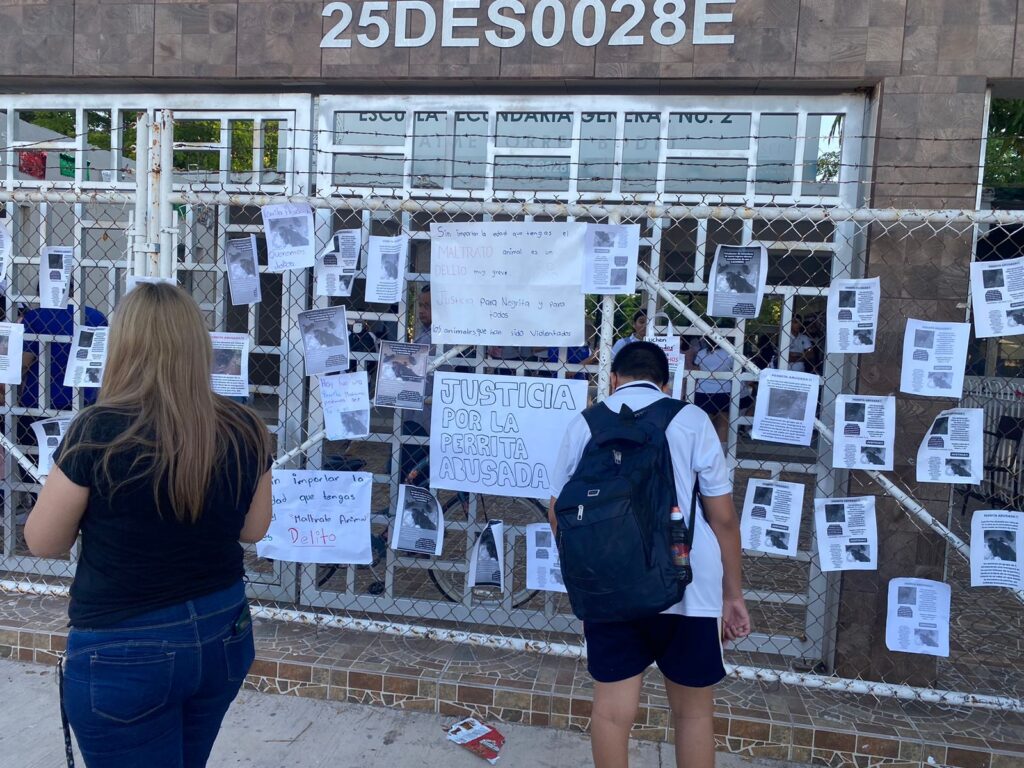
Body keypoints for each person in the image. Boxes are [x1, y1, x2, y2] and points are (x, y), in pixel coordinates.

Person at [24, 283, 273, 768]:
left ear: (124, 345)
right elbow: (255, 529)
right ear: (198, 346)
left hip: (124, 647)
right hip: (223, 631)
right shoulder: (246, 426)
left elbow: (42, 541)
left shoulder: (97, 429)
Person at [548, 342, 750, 768]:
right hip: (687, 582)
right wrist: (733, 595)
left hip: (611, 583)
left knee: (610, 712)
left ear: (614, 379)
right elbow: (724, 519)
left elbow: (558, 511)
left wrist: (588, 584)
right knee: (693, 714)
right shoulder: (692, 420)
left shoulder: (585, 424)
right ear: (666, 382)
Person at [20, 300, 108, 411]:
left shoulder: (34, 316)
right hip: (86, 396)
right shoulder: (96, 316)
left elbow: (24, 362)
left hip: (40, 397)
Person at [693, 337, 753, 444]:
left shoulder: (701, 353)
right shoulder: (729, 353)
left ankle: (703, 447)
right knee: (723, 423)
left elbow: (697, 368)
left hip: (702, 390)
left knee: (704, 422)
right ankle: (722, 451)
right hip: (723, 391)